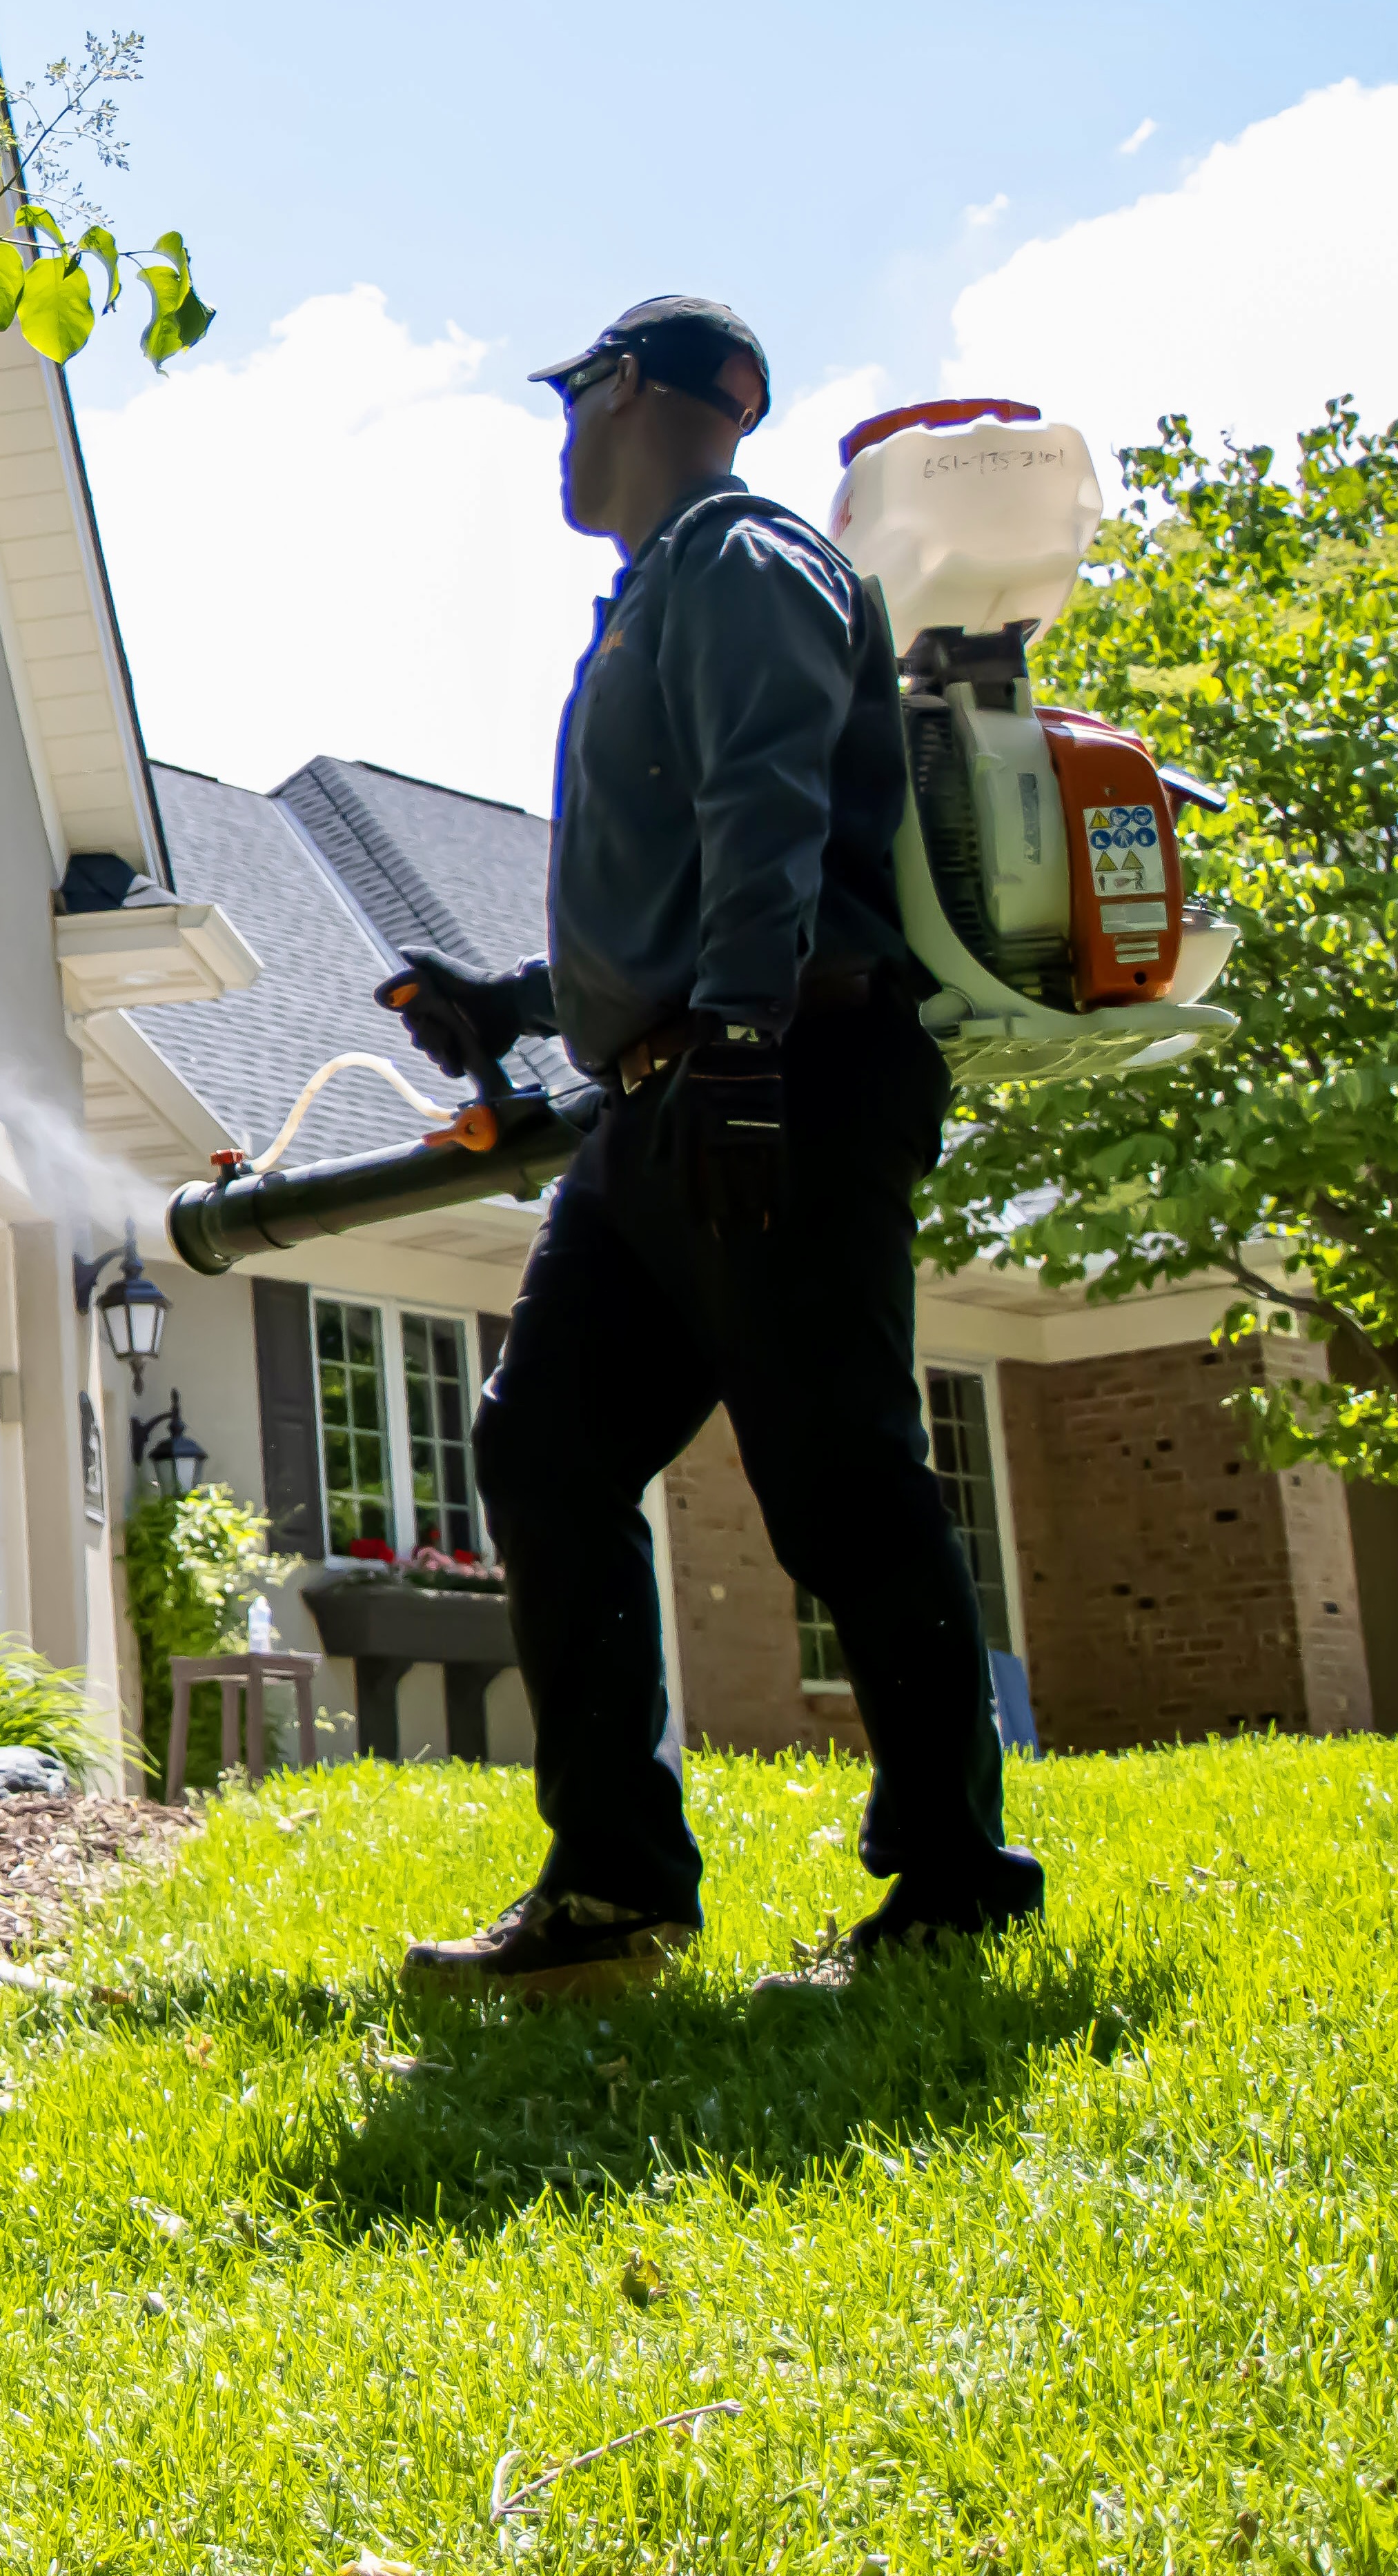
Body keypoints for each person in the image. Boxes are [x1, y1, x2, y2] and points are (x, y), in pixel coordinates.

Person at [382, 295, 1044, 1999]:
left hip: (787, 1077)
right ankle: (616, 1892)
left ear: (632, 394)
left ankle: (958, 1883)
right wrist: (517, 1000)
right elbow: (680, 886)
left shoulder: (742, 559)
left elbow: (772, 813)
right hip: (669, 1096)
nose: (561, 439)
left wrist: (744, 1048)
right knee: (543, 1452)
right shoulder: (659, 592)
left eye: (573, 401)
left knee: (837, 1474)